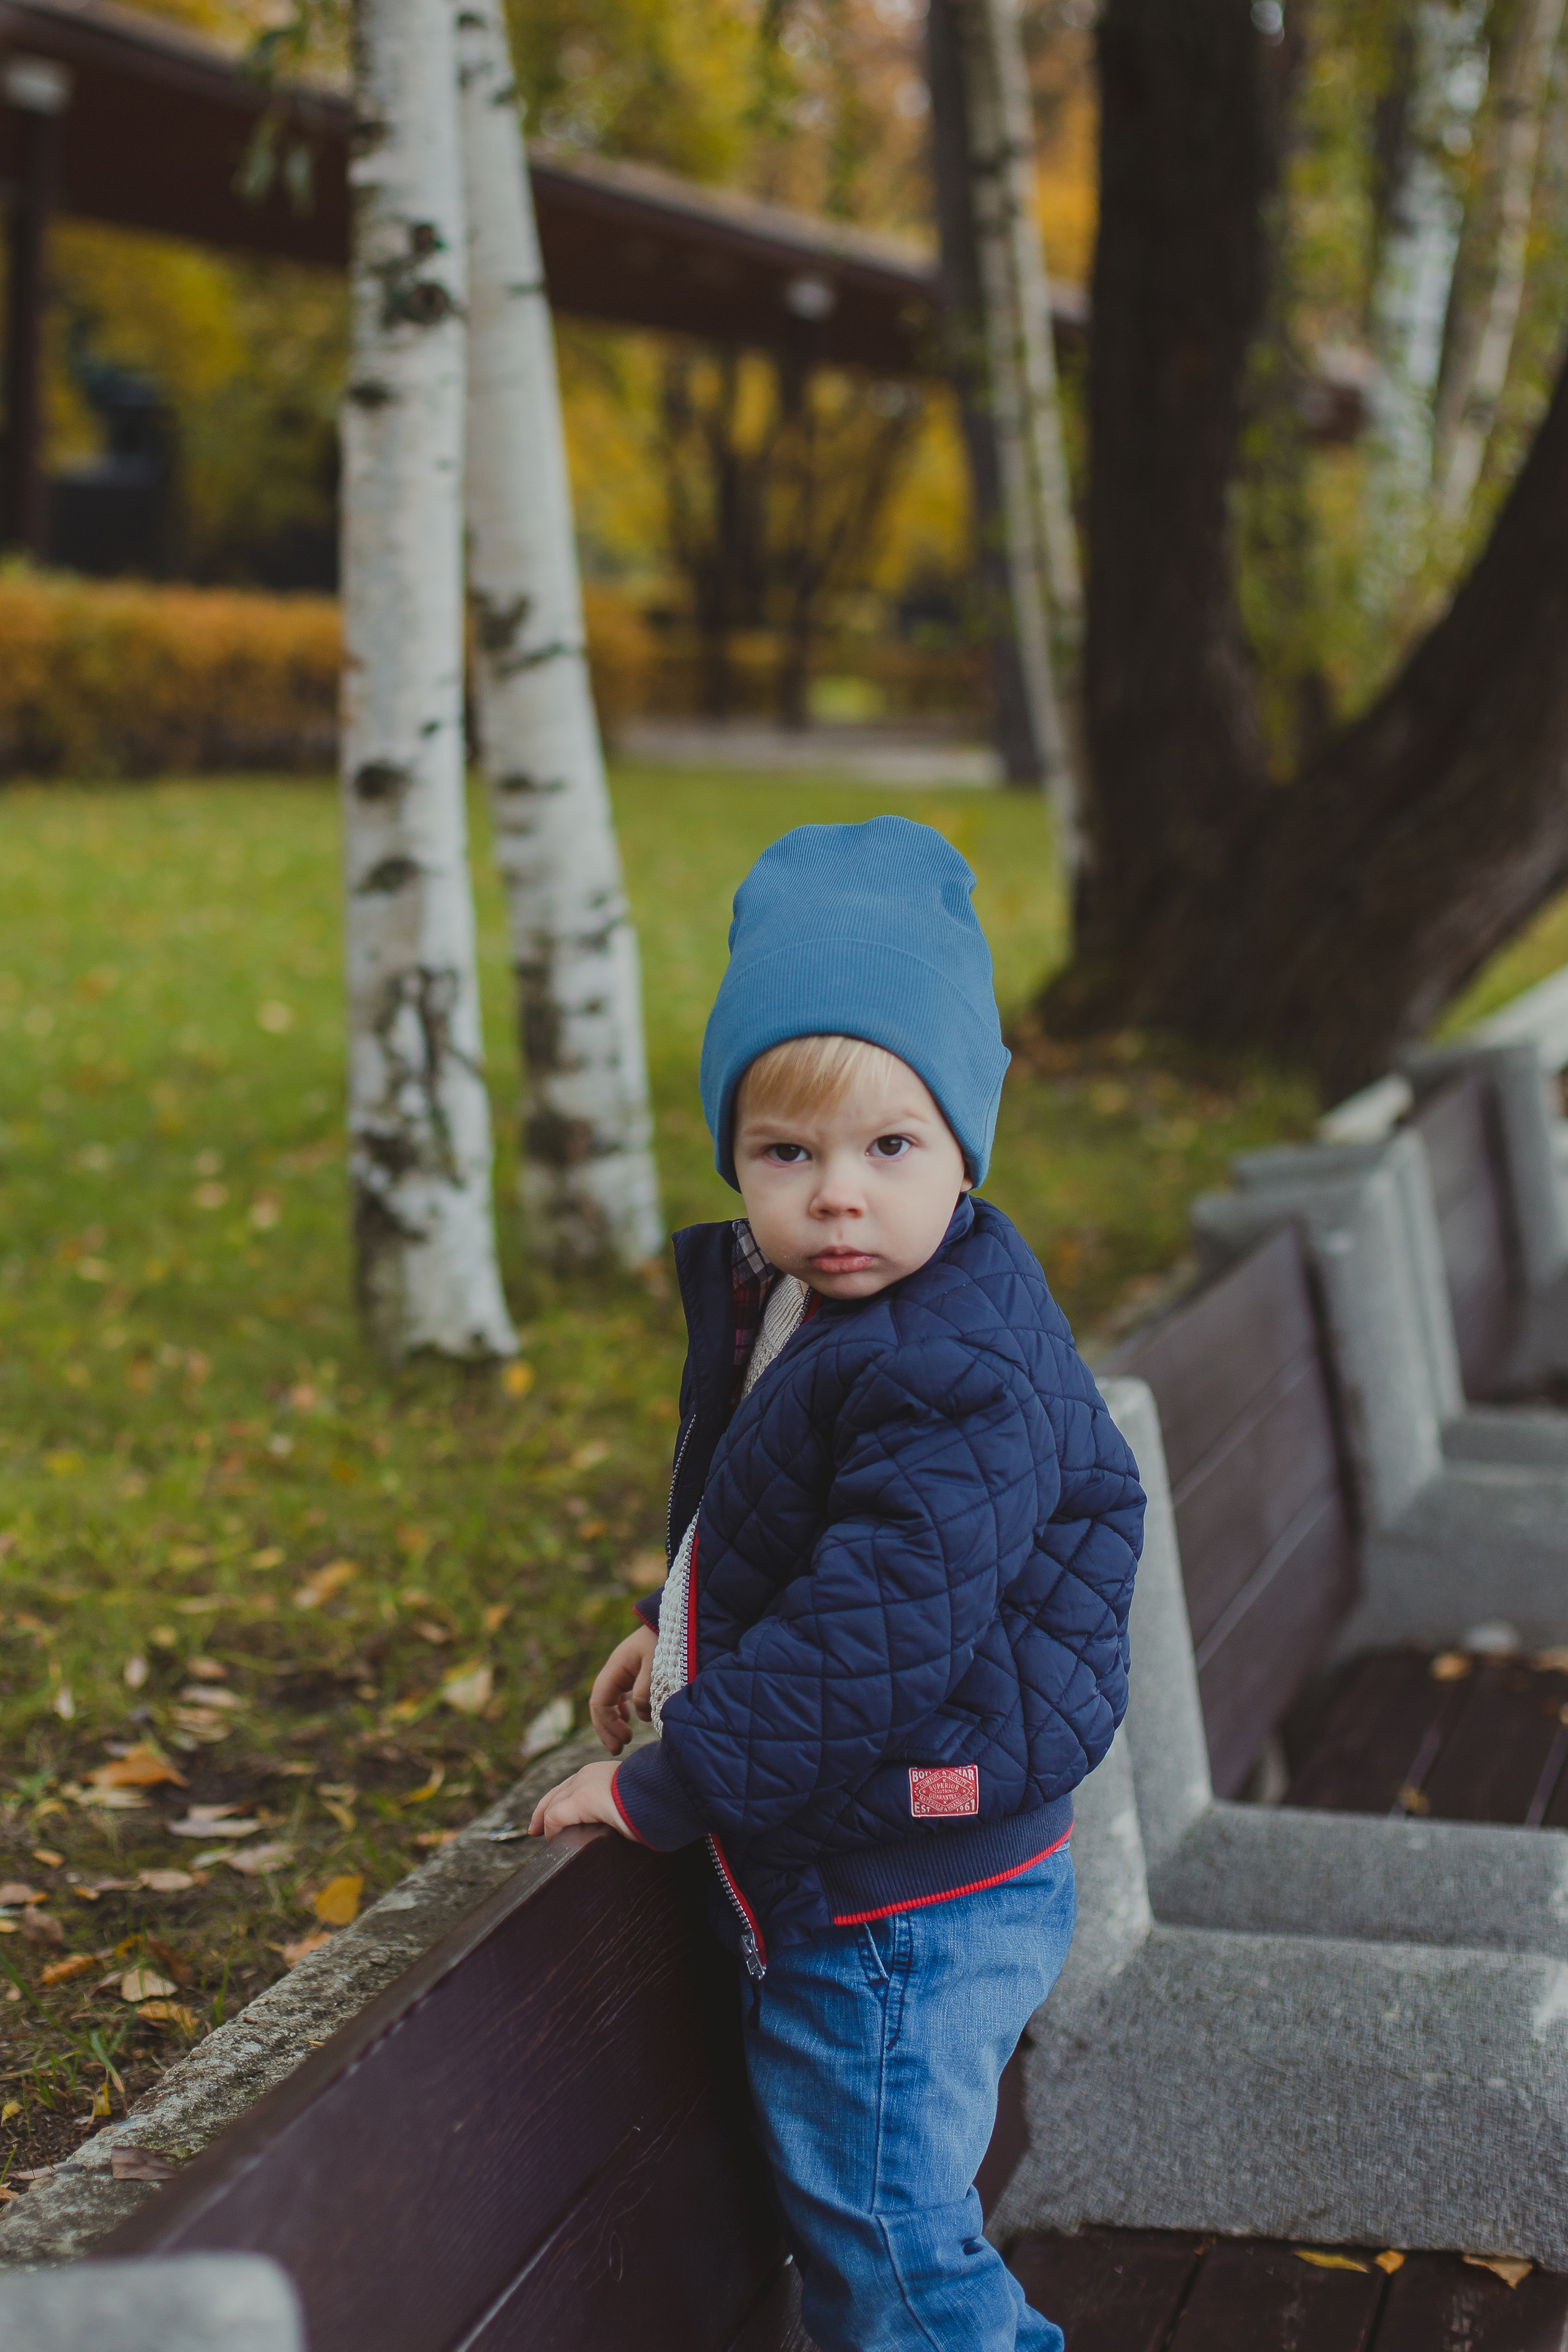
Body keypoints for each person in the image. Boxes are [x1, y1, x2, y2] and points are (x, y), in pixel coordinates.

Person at [530, 815, 1145, 2352]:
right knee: (875, 2217)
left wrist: (672, 1781)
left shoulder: (950, 1368)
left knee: (887, 2241)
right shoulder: (820, 1307)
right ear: (734, 1156)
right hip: (899, 1859)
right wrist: (671, 1637)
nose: (836, 1198)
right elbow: (808, 1544)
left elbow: (875, 1638)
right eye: (784, 1154)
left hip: (909, 1898)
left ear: (963, 1149)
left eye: (888, 1148)